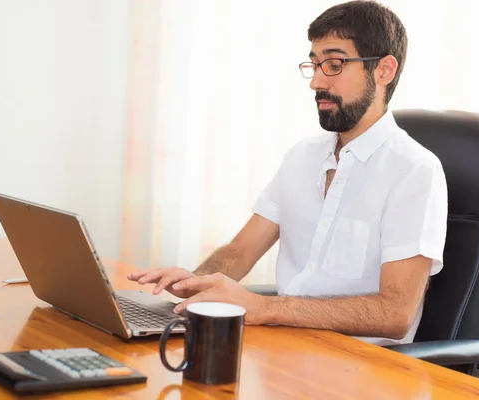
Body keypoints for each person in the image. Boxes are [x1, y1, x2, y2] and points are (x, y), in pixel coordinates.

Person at [127, 0, 448, 346]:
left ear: (384, 70)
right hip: (283, 347)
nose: (316, 82)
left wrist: (264, 308)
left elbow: (394, 314)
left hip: (358, 368)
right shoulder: (302, 156)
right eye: (314, 65)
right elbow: (241, 252)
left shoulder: (415, 172)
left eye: (334, 64)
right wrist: (195, 281)